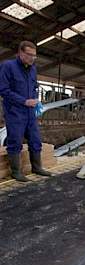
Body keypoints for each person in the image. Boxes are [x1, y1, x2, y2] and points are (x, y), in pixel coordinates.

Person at [0, 41, 51, 182]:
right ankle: (16, 172)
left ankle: (37, 167)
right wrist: (24, 101)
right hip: (15, 111)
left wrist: (36, 101)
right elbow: (3, 90)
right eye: (29, 55)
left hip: (30, 111)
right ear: (21, 53)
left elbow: (34, 87)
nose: (32, 58)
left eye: (34, 56)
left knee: (35, 139)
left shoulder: (33, 69)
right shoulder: (8, 66)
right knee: (15, 140)